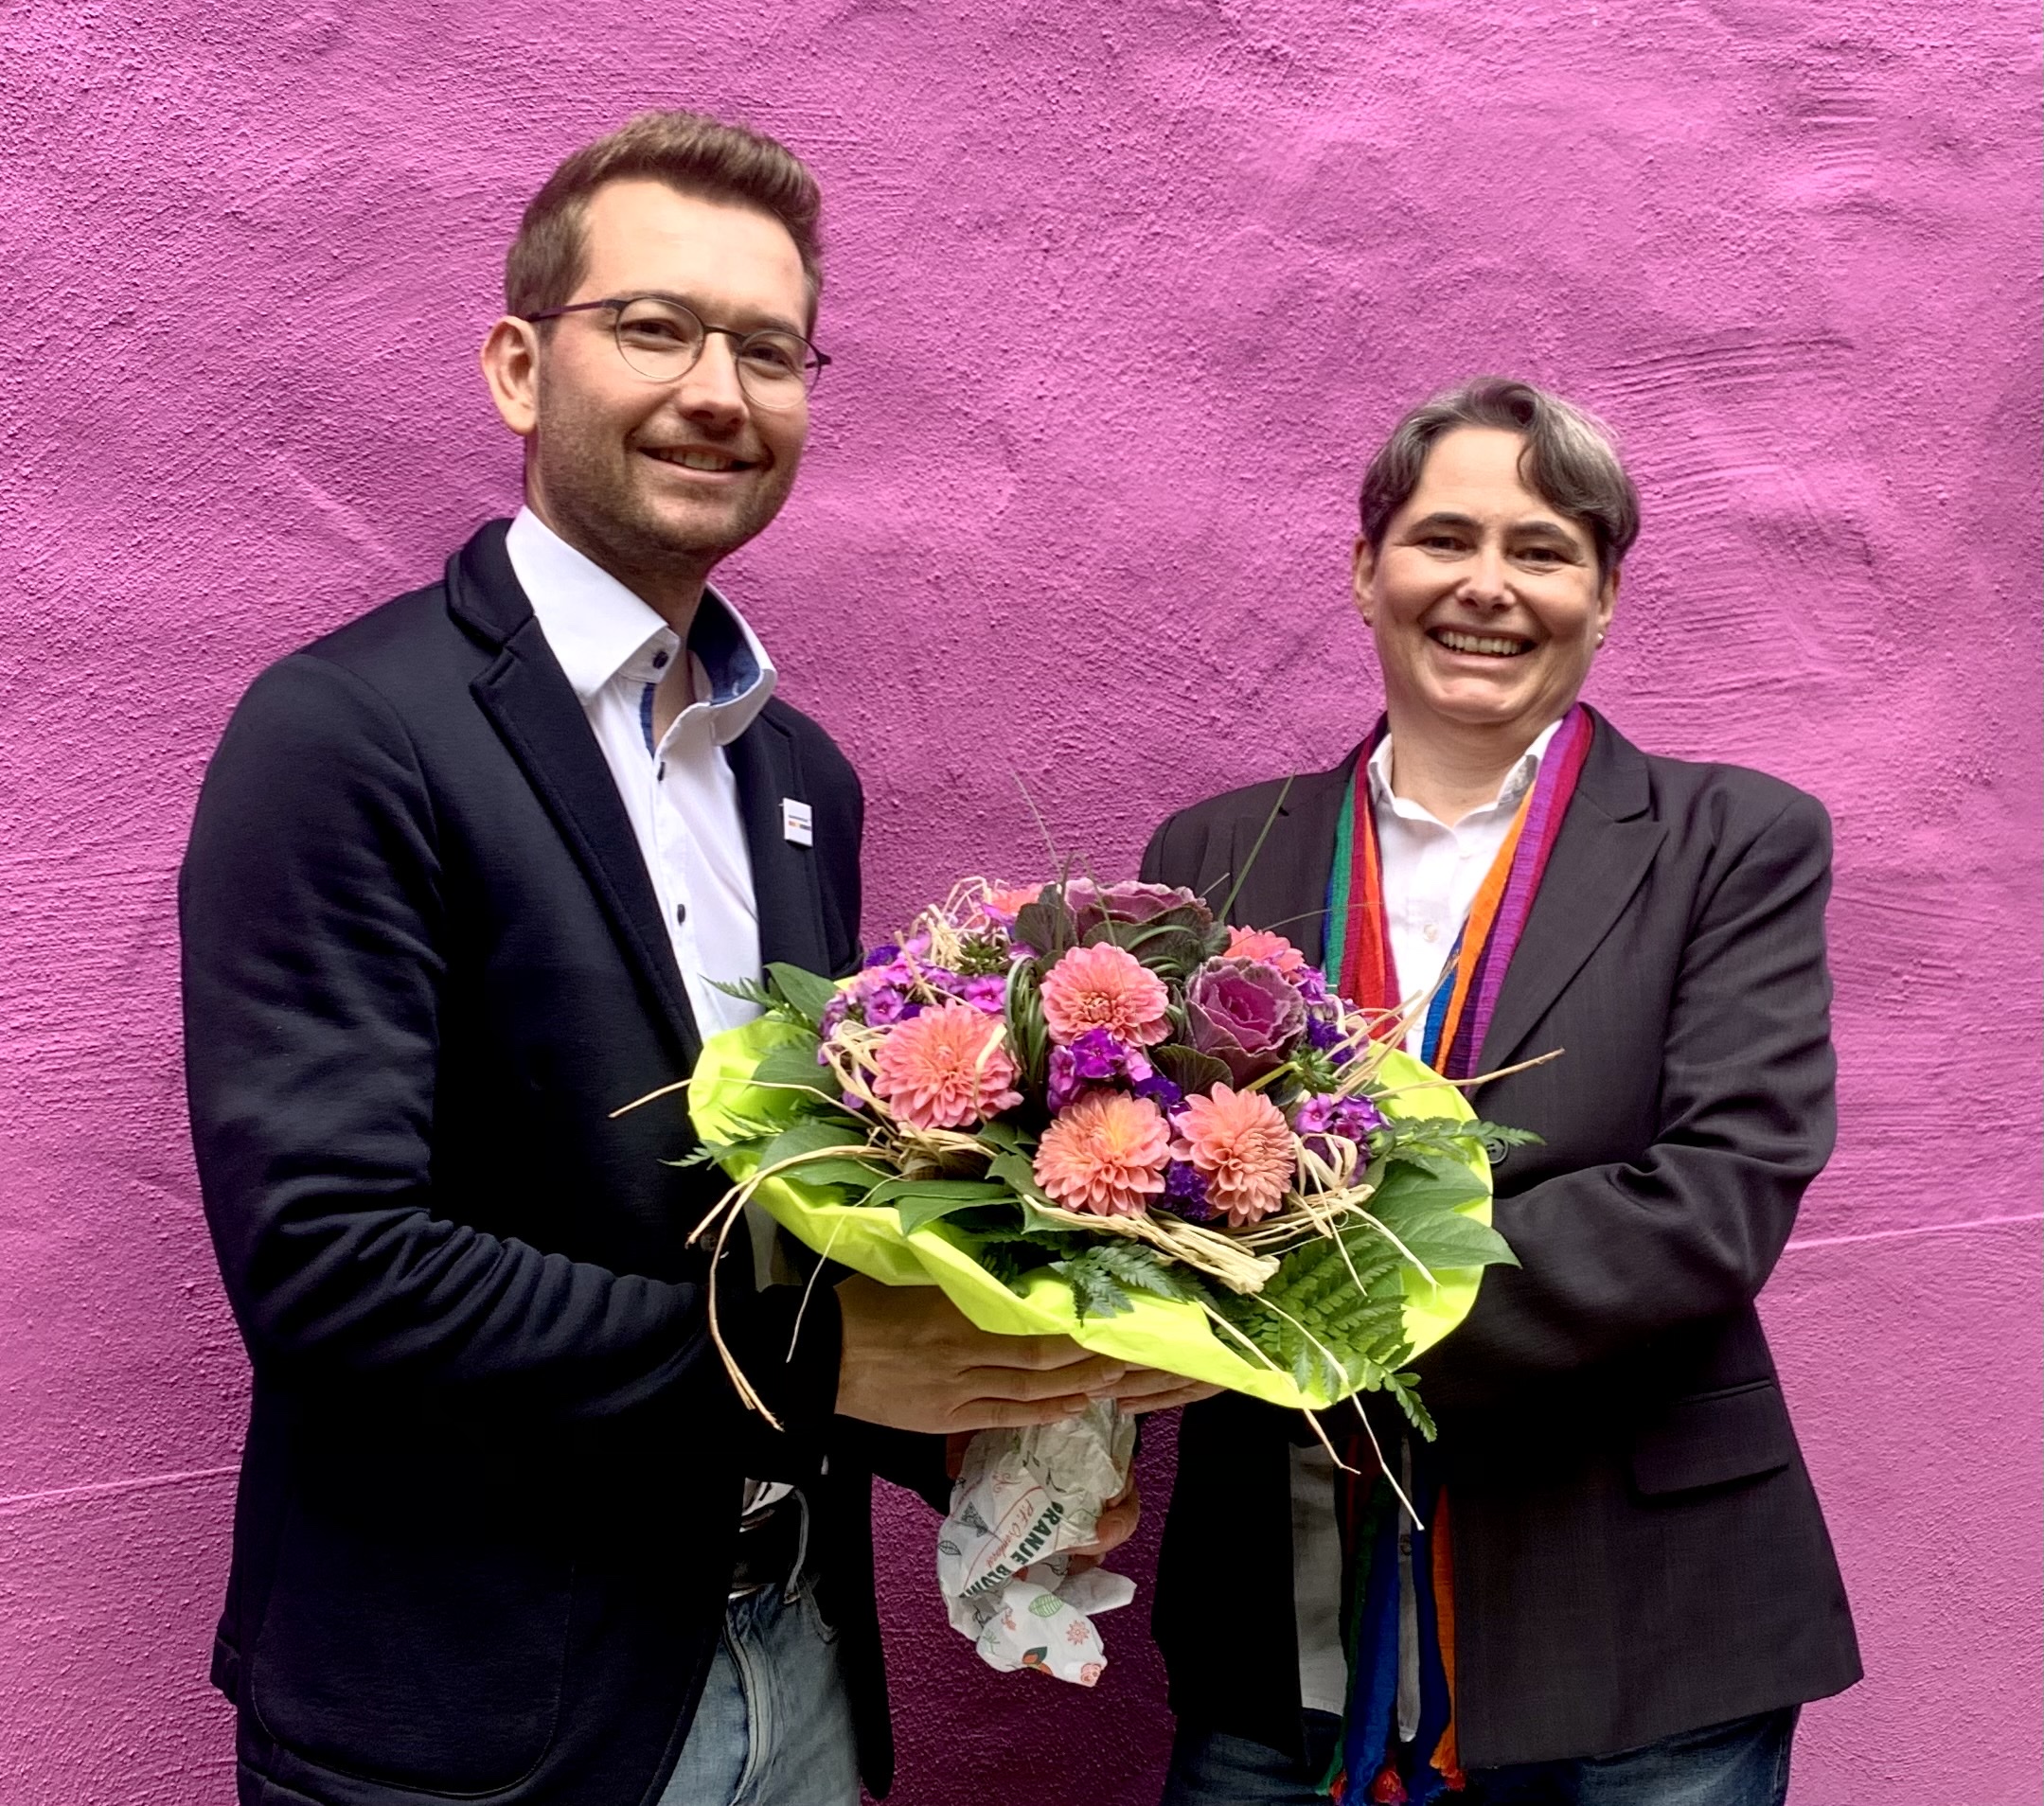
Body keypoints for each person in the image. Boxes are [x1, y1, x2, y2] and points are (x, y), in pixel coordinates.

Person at [180, 110, 1195, 1806]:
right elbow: (330, 1266)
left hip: (793, 1664)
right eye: (654, 327)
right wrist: (828, 1366)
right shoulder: (348, 732)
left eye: (770, 351)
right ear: (519, 368)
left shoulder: (798, 777)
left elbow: (780, 1226)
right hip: (485, 1713)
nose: (719, 391)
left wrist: (999, 1415)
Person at [1141, 378, 1860, 1805]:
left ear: (1605, 597)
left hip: (1643, 1631)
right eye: (1443, 539)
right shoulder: (1214, 853)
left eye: (1544, 551)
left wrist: (1330, 1318)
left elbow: (1717, 1198)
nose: (1489, 586)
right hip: (1279, 1638)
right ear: (1367, 570)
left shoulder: (1733, 842)